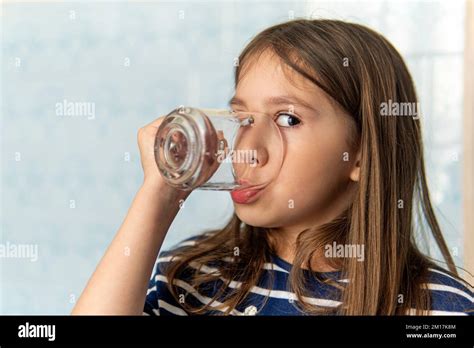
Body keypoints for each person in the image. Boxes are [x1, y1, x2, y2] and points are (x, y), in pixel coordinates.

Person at [72, 19, 473, 316]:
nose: (246, 148)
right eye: (241, 118)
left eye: (287, 119)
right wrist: (158, 195)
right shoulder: (190, 279)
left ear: (362, 155)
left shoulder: (439, 309)